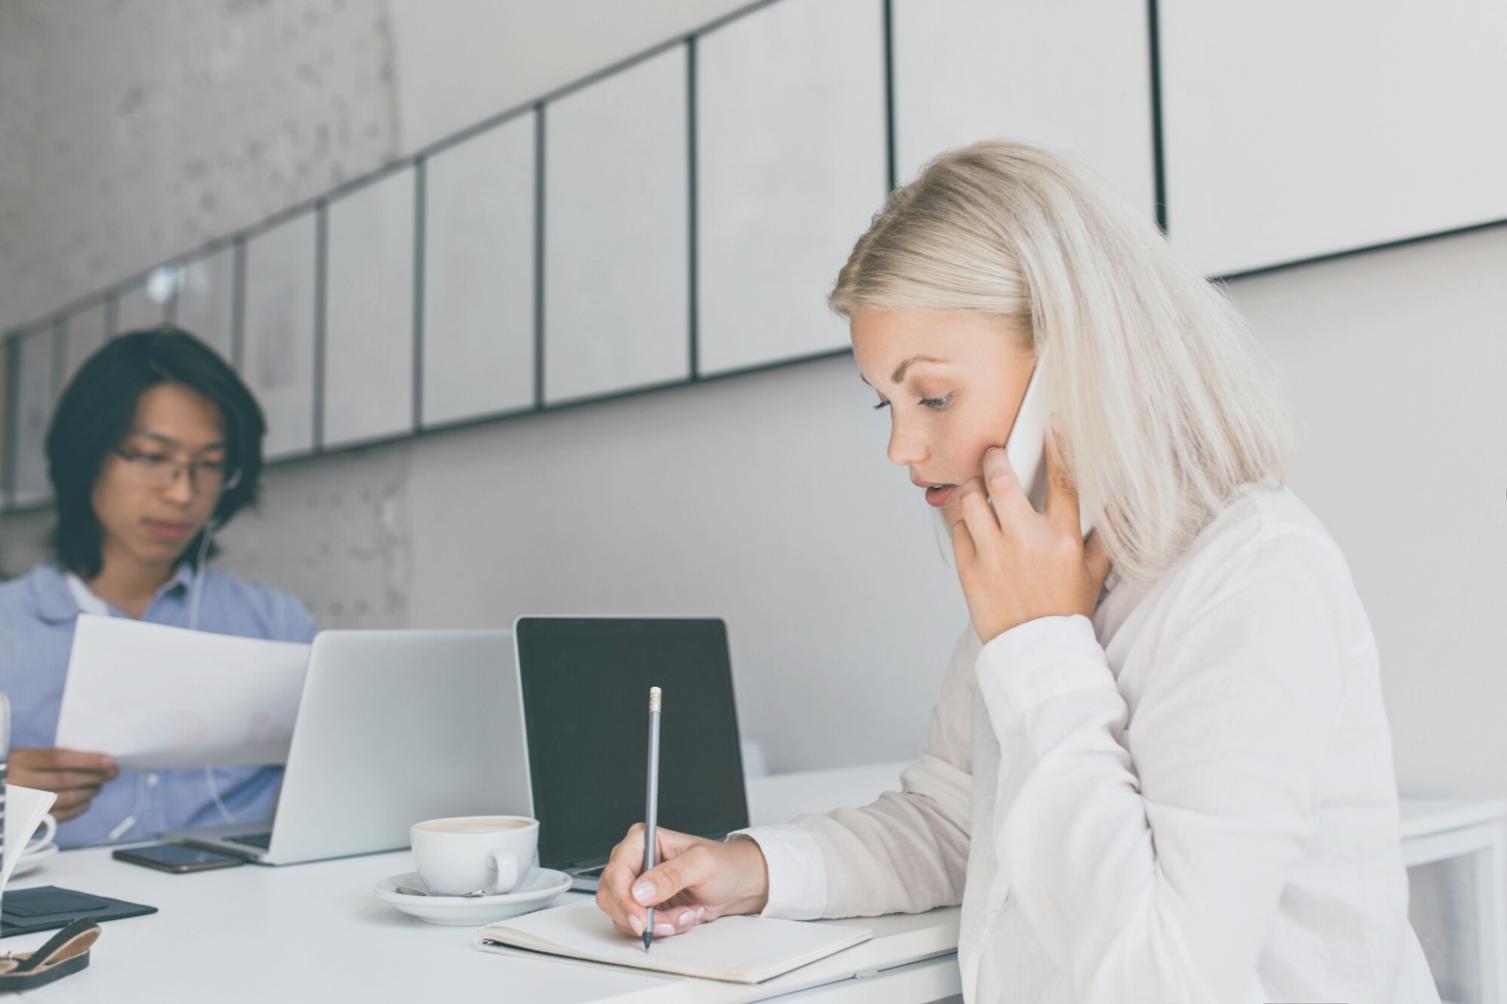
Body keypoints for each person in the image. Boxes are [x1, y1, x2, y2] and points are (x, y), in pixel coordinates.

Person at [594, 142, 1440, 1002]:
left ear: (1076, 359)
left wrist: (1042, 644)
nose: (899, 447)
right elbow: (958, 821)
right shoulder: (1038, 571)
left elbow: (1164, 979)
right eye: (884, 402)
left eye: (932, 396)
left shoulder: (1252, 577)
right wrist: (749, 868)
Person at [0, 326, 317, 849]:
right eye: (151, 456)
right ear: (88, 456)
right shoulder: (12, 630)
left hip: (246, 914)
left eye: (210, 465)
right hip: (70, 925)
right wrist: (4, 801)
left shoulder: (277, 627)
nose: (182, 491)